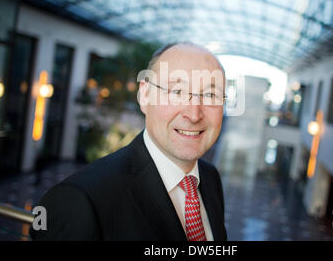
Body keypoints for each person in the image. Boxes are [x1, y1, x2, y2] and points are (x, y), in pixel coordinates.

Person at [30, 42, 228, 241]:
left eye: (211, 95)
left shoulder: (210, 178)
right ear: (145, 95)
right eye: (177, 92)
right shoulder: (79, 201)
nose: (194, 114)